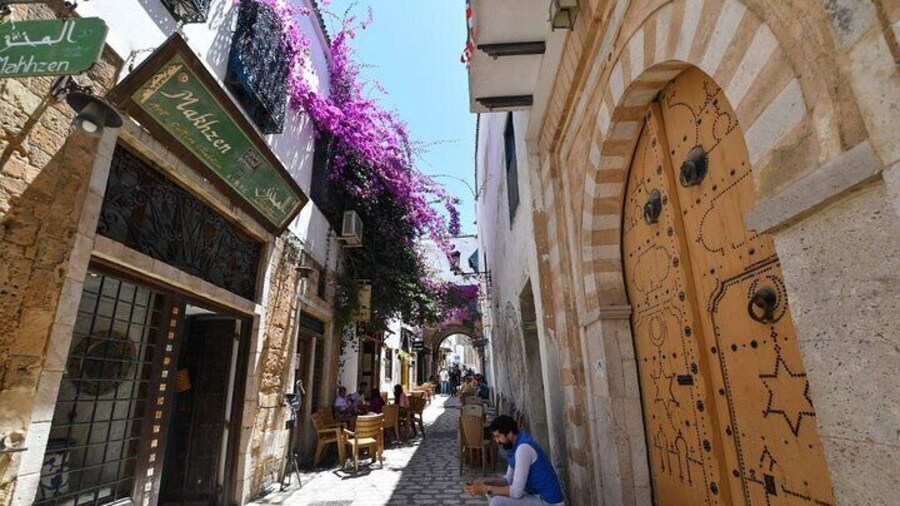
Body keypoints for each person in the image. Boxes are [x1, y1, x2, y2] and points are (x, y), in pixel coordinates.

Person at [464, 415, 565, 505]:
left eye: (498, 436)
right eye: (495, 437)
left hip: (548, 502)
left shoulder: (523, 449)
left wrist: (484, 489)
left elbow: (516, 492)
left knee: (496, 501)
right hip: (535, 496)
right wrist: (486, 482)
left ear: (510, 433)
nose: (497, 441)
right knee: (493, 495)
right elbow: (508, 479)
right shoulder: (515, 446)